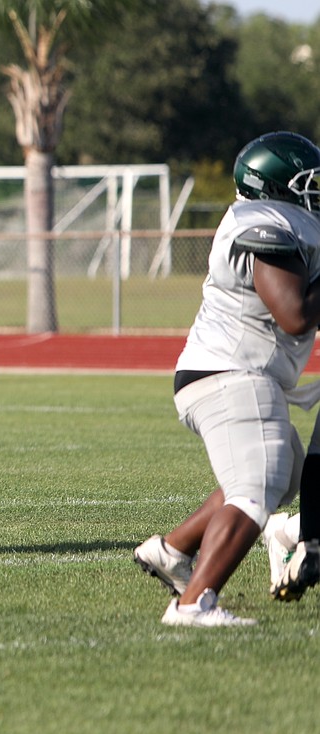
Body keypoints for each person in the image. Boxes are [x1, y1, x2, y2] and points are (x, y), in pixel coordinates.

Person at [133, 131, 320, 626]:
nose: (316, 194)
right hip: (232, 373)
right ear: (273, 186)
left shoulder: (277, 219)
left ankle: (173, 551)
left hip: (228, 372)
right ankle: (193, 605)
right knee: (258, 484)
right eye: (307, 184)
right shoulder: (265, 222)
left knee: (281, 475)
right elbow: (295, 315)